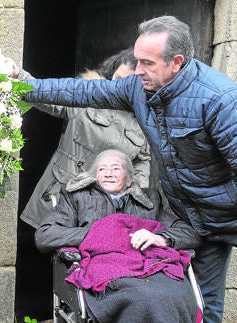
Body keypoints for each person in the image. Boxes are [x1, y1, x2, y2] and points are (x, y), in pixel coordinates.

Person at [20, 15, 237, 322]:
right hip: (177, 215)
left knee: (204, 305)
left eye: (147, 63)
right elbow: (81, 93)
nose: (137, 71)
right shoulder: (138, 88)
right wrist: (20, 84)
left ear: (176, 62)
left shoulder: (220, 101)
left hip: (216, 220)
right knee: (166, 295)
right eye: (137, 61)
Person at [35, 149, 202, 322]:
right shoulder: (78, 197)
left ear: (129, 179)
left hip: (152, 269)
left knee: (176, 294)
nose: (108, 174)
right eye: (101, 169)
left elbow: (190, 233)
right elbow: (45, 235)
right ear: (94, 177)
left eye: (116, 169)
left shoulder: (149, 200)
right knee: (142, 298)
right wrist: (103, 233)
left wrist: (160, 238)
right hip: (108, 272)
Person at [20, 48, 151, 229]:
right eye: (117, 79)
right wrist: (19, 77)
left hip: (104, 207)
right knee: (46, 245)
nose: (119, 87)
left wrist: (138, 198)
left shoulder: (144, 116)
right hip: (59, 193)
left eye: (127, 83)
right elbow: (50, 96)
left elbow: (141, 160)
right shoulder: (90, 93)